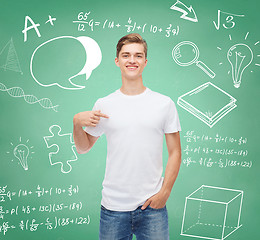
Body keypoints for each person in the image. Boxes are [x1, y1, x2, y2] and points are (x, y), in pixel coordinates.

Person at [73, 33, 182, 240]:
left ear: (145, 61)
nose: (132, 60)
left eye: (138, 56)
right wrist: (76, 123)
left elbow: (175, 151)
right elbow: (83, 147)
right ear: (117, 61)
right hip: (113, 208)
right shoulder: (104, 104)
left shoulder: (164, 104)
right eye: (126, 55)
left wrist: (165, 192)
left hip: (153, 208)